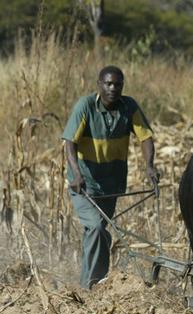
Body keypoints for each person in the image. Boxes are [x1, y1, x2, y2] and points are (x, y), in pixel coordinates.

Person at [62, 65, 159, 289]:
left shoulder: (129, 106)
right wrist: (76, 175)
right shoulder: (85, 106)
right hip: (84, 184)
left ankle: (98, 283)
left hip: (112, 183)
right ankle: (89, 287)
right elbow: (69, 142)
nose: (113, 88)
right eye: (108, 83)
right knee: (95, 228)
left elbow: (145, 138)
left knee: (100, 233)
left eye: (118, 84)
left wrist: (150, 166)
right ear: (99, 85)